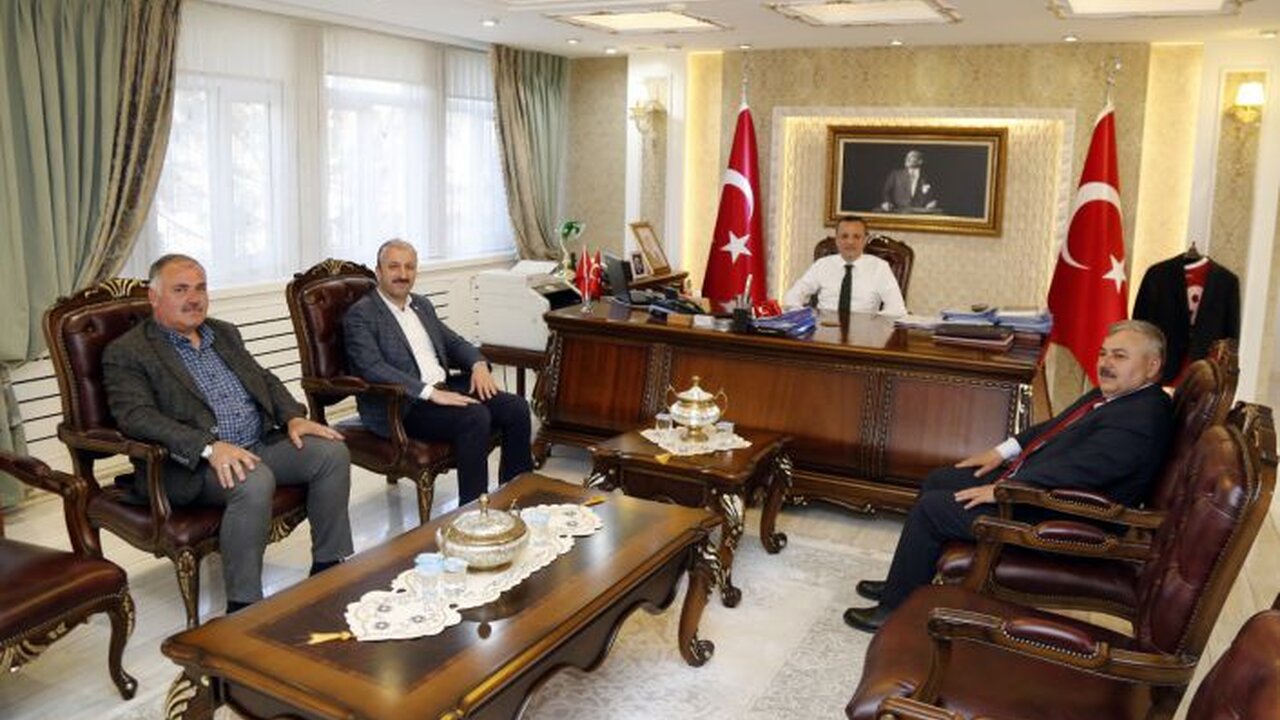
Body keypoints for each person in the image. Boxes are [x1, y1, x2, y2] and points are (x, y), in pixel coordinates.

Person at [843, 319, 1173, 633]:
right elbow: (1053, 428)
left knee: (933, 509)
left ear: (1152, 366)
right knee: (940, 479)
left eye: (1119, 356)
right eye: (1103, 353)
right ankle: (907, 580)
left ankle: (895, 610)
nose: (1106, 363)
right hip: (1042, 492)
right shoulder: (1118, 396)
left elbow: (1084, 470)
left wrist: (1005, 488)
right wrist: (999, 453)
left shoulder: (1141, 418)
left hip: (1063, 516)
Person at [103, 254, 353, 614]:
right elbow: (136, 417)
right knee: (252, 480)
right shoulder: (128, 351)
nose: (194, 298)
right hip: (190, 465)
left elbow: (263, 378)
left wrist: (292, 417)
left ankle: (329, 569)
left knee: (331, 452)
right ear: (154, 297)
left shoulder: (222, 332)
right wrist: (208, 447)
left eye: (200, 288)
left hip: (258, 443)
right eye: (180, 290)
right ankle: (243, 606)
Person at [343, 238, 533, 505]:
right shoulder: (361, 314)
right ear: (379, 271)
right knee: (474, 416)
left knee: (516, 408)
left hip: (444, 390)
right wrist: (429, 393)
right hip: (402, 405)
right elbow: (371, 367)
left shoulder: (421, 305)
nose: (403, 274)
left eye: (409, 267)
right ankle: (474, 511)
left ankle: (517, 498)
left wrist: (478, 364)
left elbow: (453, 342)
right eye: (394, 266)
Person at [781, 215, 907, 316]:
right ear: (836, 239)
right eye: (844, 236)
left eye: (856, 237)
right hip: (824, 330)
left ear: (865, 240)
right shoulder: (822, 265)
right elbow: (792, 297)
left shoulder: (880, 268)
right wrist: (805, 316)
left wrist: (872, 324)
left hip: (864, 333)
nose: (850, 242)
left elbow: (896, 309)